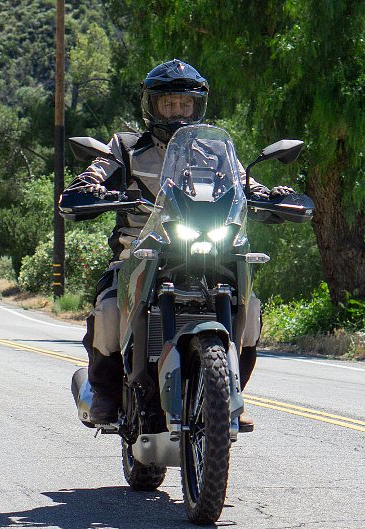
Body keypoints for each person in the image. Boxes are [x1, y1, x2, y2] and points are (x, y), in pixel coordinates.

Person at [62, 59, 293, 428]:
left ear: (197, 106)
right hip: (140, 249)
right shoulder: (126, 147)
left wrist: (271, 195)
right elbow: (97, 171)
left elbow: (243, 184)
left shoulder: (216, 151)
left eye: (185, 103)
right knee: (107, 309)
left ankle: (229, 394)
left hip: (208, 244)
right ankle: (104, 392)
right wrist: (87, 186)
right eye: (168, 103)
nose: (177, 112)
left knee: (250, 308)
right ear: (151, 106)